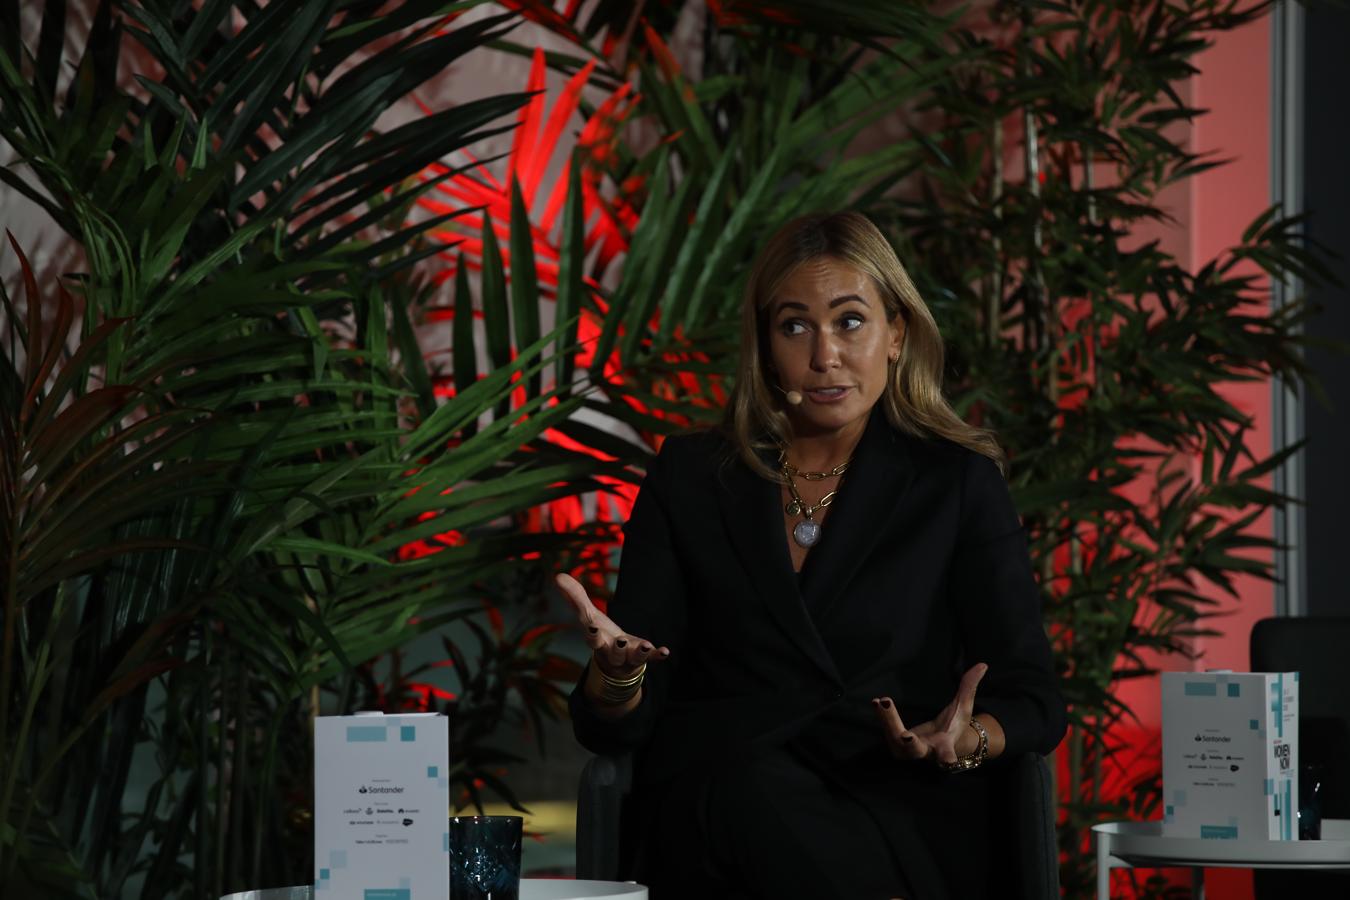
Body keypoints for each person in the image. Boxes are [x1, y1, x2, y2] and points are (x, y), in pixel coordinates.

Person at [557, 211, 1067, 899]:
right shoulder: (691, 476)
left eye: (850, 321)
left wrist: (971, 737)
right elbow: (620, 721)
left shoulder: (955, 482)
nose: (824, 355)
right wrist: (616, 677)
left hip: (892, 811)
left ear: (897, 334)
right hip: (712, 812)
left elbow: (1034, 692)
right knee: (743, 786)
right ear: (766, 346)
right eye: (795, 325)